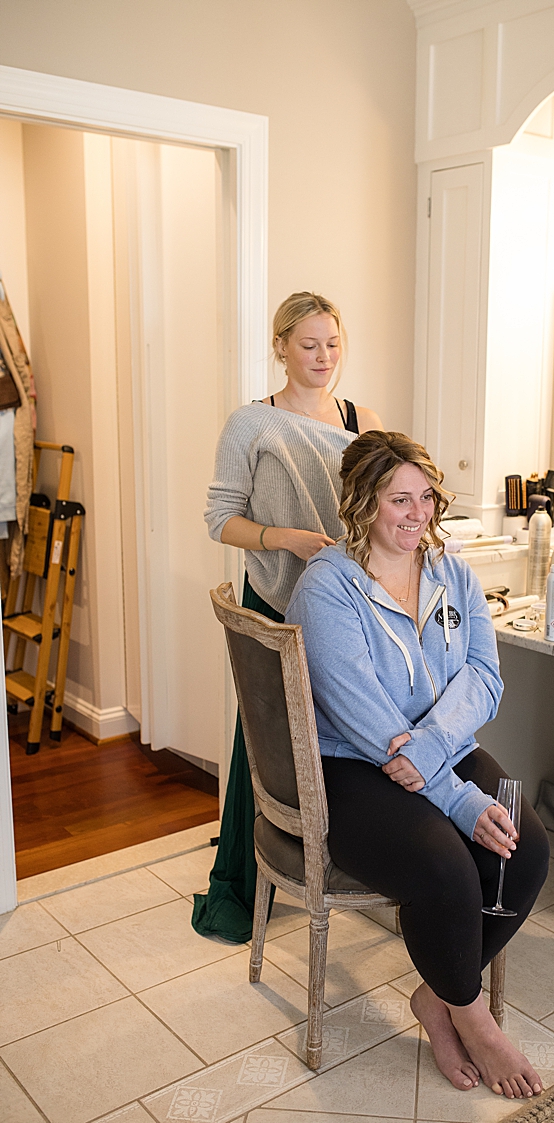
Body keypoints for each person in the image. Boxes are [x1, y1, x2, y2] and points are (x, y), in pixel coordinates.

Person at [286, 430, 551, 1099]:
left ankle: (436, 996)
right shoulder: (328, 589)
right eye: (398, 499)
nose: (417, 513)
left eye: (426, 496)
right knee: (447, 866)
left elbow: (485, 677)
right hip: (354, 768)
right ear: (361, 504)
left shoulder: (452, 572)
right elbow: (368, 722)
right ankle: (471, 1016)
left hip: (436, 751)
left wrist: (434, 752)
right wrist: (461, 801)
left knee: (528, 846)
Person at [200, 292, 383, 943]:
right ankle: (255, 874)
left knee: (350, 733)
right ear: (280, 346)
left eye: (332, 344)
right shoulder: (251, 423)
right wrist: (289, 538)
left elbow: (379, 509)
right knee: (275, 746)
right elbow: (222, 520)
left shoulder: (362, 420)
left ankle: (352, 862)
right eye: (309, 345)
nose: (323, 357)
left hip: (343, 607)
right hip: (275, 604)